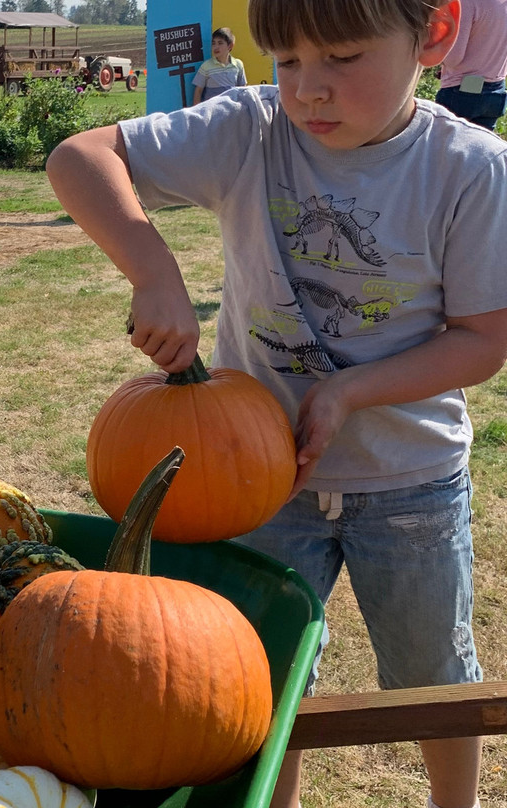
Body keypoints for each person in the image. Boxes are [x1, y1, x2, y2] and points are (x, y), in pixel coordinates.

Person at [46, 0, 507, 806]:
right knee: (253, 670)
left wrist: (348, 391)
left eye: (343, 59)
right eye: (287, 61)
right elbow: (80, 156)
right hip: (260, 482)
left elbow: (482, 340)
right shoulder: (249, 131)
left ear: (432, 37)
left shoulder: (469, 167)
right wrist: (153, 270)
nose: (307, 91)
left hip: (411, 479)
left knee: (433, 674)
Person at [435, 0, 507, 129]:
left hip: (461, 91)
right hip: (496, 91)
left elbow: (453, 59)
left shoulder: (467, 3)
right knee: (480, 147)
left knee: (445, 147)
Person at [192, 27, 247, 104]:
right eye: (213, 43)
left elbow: (242, 88)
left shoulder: (238, 65)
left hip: (232, 109)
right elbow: (198, 91)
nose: (216, 47)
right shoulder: (206, 66)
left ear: (230, 46)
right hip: (212, 110)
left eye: (220, 43)